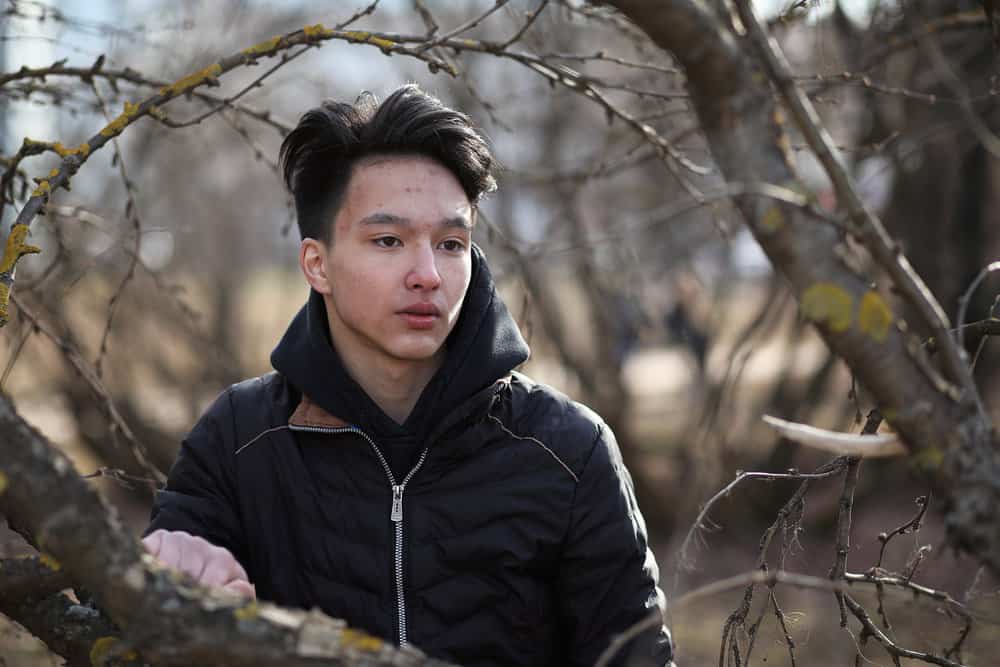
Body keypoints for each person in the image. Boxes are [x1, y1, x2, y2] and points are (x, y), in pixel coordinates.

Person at [143, 84, 674, 666]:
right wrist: (163, 576)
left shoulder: (568, 450)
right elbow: (141, 617)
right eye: (388, 240)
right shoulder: (240, 439)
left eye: (451, 243)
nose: (427, 274)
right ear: (317, 264)